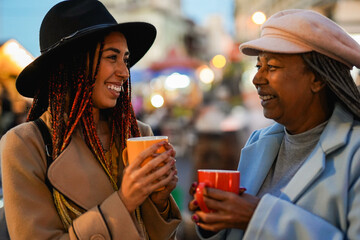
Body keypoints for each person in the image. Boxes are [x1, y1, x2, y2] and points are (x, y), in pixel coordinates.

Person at [0, 0, 181, 239]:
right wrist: (124, 201)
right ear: (73, 65)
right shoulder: (26, 144)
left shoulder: (138, 135)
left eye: (125, 59)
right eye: (111, 57)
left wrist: (158, 202)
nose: (125, 72)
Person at [188, 9, 360, 239]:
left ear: (317, 78)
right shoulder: (259, 143)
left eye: (272, 67)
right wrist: (217, 218)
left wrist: (257, 216)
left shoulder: (354, 153)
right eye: (259, 66)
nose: (257, 79)